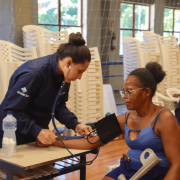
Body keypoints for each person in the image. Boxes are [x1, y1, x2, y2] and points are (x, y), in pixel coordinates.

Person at [37, 62, 180, 180]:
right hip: (126, 171)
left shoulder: (164, 118)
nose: (125, 96)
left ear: (147, 92)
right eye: (123, 92)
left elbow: (176, 165)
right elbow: (92, 140)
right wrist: (55, 141)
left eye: (129, 92)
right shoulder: (125, 118)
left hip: (153, 175)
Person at [0, 32, 92, 147]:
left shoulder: (64, 76)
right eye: (80, 71)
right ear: (69, 62)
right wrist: (37, 131)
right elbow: (11, 111)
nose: (79, 77)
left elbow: (58, 106)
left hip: (38, 134)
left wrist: (75, 125)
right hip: (12, 136)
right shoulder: (33, 74)